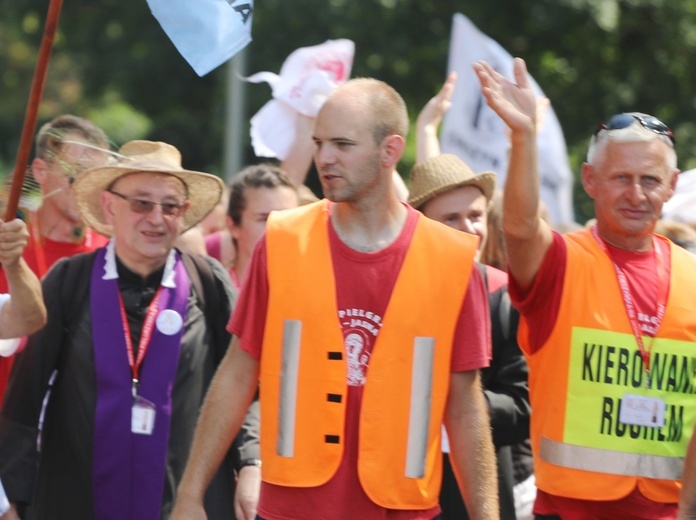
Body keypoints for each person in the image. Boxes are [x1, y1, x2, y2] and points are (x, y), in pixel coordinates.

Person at [171, 78, 499, 520]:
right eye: (319, 143)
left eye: (343, 144)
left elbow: (464, 406)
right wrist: (190, 494)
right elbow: (237, 372)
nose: (324, 158)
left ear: (391, 151)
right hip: (292, 506)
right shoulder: (283, 240)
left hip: (402, 507)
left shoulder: (453, 259)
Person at [476, 57, 696, 519]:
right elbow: (517, 229)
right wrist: (523, 138)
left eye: (650, 180)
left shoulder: (693, 276)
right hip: (569, 508)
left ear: (672, 186)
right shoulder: (561, 261)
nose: (636, 194)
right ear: (589, 181)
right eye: (621, 178)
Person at [0, 140, 260, 520]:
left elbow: (245, 384)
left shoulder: (208, 283)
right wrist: (16, 503)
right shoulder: (69, 283)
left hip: (185, 502)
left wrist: (251, 461)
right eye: (141, 203)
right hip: (77, 500)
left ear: (185, 213)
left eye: (170, 206)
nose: (156, 219)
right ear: (110, 205)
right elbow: (25, 401)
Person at [0, 115, 112, 400]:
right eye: (76, 175)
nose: (88, 189)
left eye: (97, 180)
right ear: (40, 171)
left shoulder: (112, 253)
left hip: (74, 428)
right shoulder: (7, 239)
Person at [206, 164, 299, 288]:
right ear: (233, 226)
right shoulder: (212, 297)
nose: (279, 228)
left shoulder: (313, 292)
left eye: (289, 218)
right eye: (265, 219)